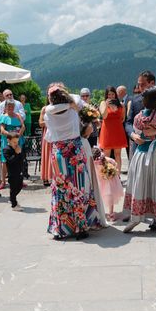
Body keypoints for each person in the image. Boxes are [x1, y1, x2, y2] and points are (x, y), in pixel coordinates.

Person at [44, 85, 98, 240]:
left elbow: (49, 136)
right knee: (80, 188)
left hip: (59, 154)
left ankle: (60, 229)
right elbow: (78, 102)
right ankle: (81, 227)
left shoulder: (48, 115)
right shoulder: (73, 111)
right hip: (75, 151)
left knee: (61, 190)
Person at [123, 87, 156, 234]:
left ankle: (137, 217)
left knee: (140, 184)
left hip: (142, 152)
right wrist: (134, 136)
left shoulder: (139, 117)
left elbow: (135, 127)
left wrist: (143, 134)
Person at [124, 71, 156, 161]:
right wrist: (133, 135)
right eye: (139, 85)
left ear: (152, 83)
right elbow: (128, 123)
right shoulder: (135, 100)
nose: (140, 87)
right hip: (139, 149)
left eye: (143, 84)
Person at [0, 99, 25, 190]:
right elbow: (2, 130)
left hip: (17, 141)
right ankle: (3, 181)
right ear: (5, 107)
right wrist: (11, 136)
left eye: (12, 106)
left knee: (19, 160)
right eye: (9, 106)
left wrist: (18, 136)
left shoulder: (18, 116)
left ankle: (20, 180)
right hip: (7, 142)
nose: (10, 108)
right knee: (4, 162)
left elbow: (23, 126)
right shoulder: (3, 117)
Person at [98, 86, 127, 173]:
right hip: (107, 131)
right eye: (109, 94)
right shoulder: (103, 103)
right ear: (106, 95)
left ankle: (118, 175)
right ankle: (107, 174)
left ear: (115, 95)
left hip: (117, 130)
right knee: (107, 154)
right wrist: (107, 106)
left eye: (112, 94)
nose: (111, 96)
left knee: (118, 154)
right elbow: (104, 116)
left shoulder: (121, 105)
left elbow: (123, 118)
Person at [92, 146, 124, 221]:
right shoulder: (106, 160)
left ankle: (98, 212)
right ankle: (111, 213)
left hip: (100, 182)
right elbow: (115, 163)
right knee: (110, 197)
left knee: (98, 196)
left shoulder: (93, 163)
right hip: (109, 182)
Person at [3, 132, 25, 211]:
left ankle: (12, 198)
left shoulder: (17, 148)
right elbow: (10, 160)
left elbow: (21, 159)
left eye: (17, 142)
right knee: (13, 188)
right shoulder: (6, 149)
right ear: (9, 141)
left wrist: (19, 153)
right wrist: (16, 153)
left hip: (19, 171)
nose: (16, 143)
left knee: (20, 186)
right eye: (14, 142)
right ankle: (14, 205)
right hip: (12, 173)